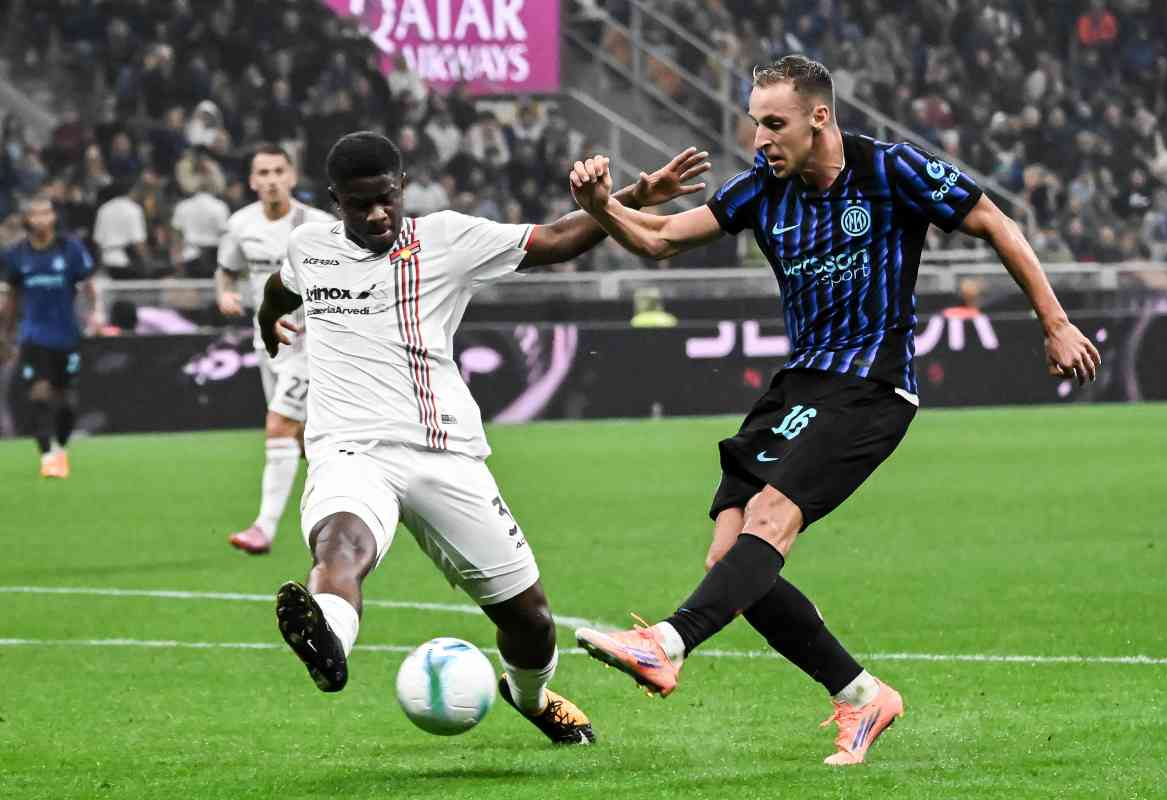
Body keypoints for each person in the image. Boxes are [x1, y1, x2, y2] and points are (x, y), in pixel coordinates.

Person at [568, 55, 1101, 765]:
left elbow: (993, 220)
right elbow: (660, 238)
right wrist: (603, 204)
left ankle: (664, 644)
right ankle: (860, 696)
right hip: (799, 386)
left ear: (820, 117)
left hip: (871, 387)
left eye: (774, 123)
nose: (760, 138)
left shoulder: (889, 171)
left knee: (767, 524)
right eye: (755, 122)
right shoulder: (761, 189)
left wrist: (1055, 321)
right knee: (732, 560)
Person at [258, 131, 709, 743]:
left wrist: (633, 196)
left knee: (530, 621)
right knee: (340, 544)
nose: (375, 214)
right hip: (349, 449)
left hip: (444, 453)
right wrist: (268, 320)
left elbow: (554, 239)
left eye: (385, 198)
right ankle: (329, 638)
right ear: (334, 200)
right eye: (358, 203)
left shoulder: (445, 238)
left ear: (403, 189)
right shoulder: (308, 246)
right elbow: (280, 287)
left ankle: (530, 696)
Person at [217, 143, 336, 555]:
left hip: (311, 345)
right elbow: (227, 271)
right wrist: (226, 295)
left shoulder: (317, 225)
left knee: (279, 426)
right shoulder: (239, 224)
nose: (270, 180)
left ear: (291, 177)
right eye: (262, 173)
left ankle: (263, 528)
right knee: (304, 440)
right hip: (266, 343)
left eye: (278, 172)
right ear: (252, 181)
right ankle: (354, 505)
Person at [0, 196, 100, 477]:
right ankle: (46, 458)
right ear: (27, 220)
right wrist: (5, 334)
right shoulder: (16, 254)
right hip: (33, 335)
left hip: (67, 335)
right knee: (39, 395)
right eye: (35, 214)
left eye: (46, 213)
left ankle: (61, 449)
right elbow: (12, 298)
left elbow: (89, 286)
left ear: (54, 217)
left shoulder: (70, 249)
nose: (42, 218)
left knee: (66, 400)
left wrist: (93, 315)